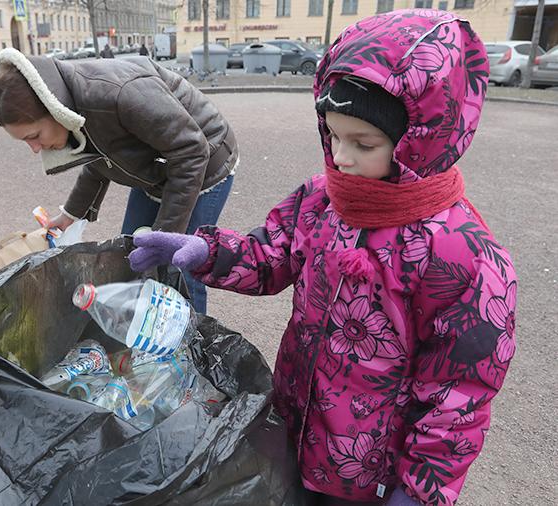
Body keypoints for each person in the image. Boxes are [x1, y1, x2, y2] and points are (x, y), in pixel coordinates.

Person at [129, 10, 515, 506]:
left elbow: (458, 394)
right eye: (332, 135)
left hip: (371, 470)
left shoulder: (462, 255)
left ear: (421, 140)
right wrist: (205, 250)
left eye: (364, 142)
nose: (342, 157)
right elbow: (271, 254)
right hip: (296, 427)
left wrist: (420, 491)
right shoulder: (321, 199)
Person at [0, 47, 239, 314]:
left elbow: (191, 151)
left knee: (179, 265)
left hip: (205, 164)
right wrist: (71, 214)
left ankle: (191, 347)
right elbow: (100, 161)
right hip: (158, 169)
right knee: (128, 256)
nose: (35, 148)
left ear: (53, 108)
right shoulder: (73, 106)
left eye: (34, 135)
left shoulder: (119, 93)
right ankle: (139, 337)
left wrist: (163, 235)